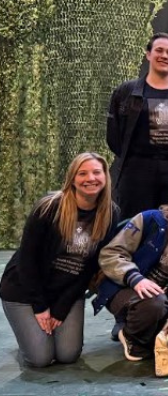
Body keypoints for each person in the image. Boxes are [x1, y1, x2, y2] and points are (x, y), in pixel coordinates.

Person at [0, 153, 118, 367]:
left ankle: (39, 337)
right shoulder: (48, 207)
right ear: (73, 178)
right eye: (82, 173)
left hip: (65, 291)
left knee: (67, 355)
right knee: (40, 359)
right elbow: (27, 260)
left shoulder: (111, 213)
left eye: (96, 172)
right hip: (24, 289)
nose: (90, 178)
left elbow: (91, 268)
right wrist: (40, 306)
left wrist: (63, 306)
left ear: (105, 177)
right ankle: (27, 344)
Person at [93, 175, 168, 362]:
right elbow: (111, 253)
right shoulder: (150, 219)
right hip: (124, 288)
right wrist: (136, 278)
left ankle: (138, 325)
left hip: (166, 301)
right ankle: (132, 338)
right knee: (154, 305)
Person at [106, 32, 168, 220]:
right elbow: (114, 136)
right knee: (134, 227)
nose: (164, 56)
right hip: (137, 173)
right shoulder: (126, 91)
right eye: (159, 50)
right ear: (148, 54)